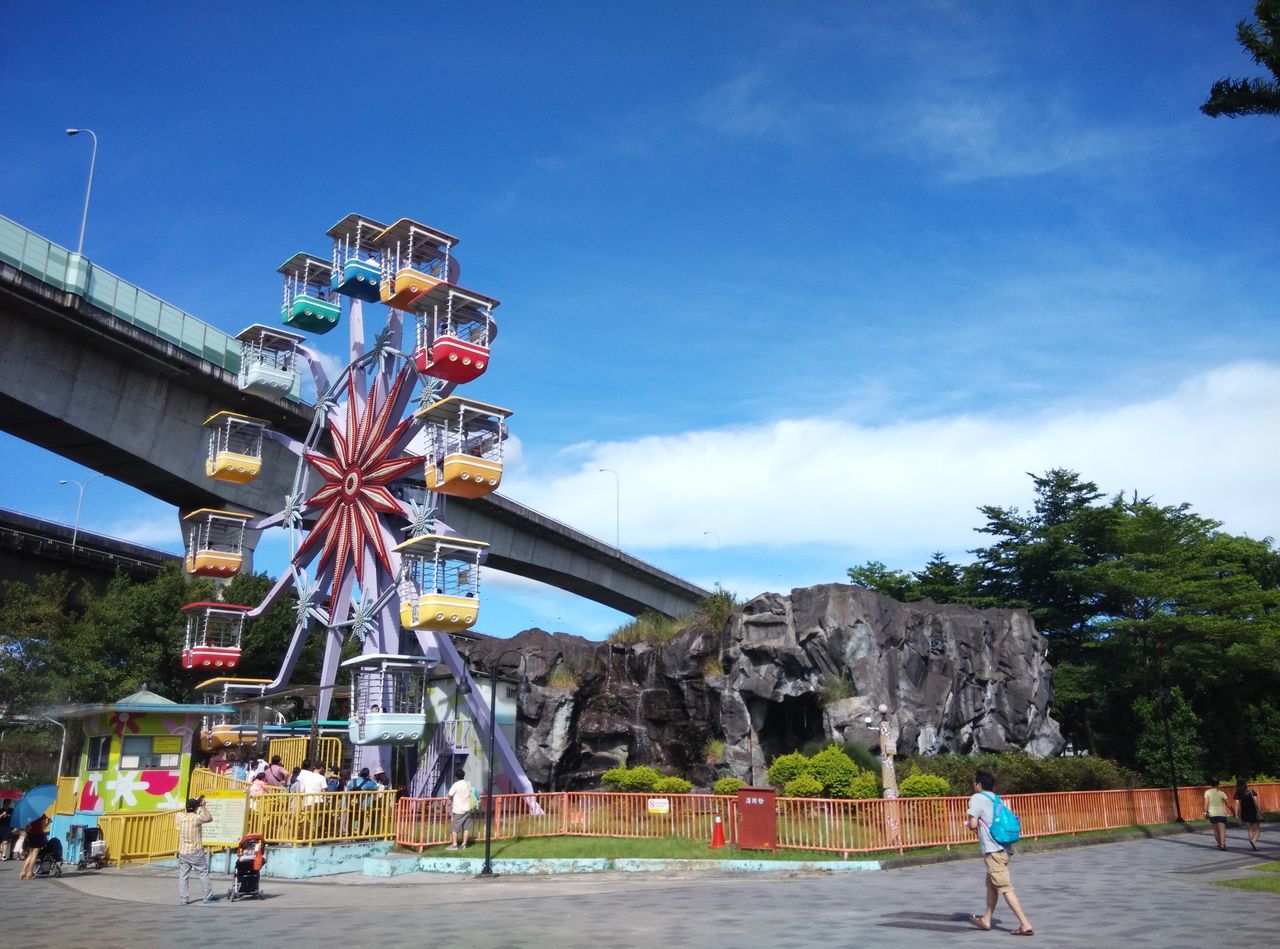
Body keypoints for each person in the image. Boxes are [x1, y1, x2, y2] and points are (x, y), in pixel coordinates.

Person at [966, 771, 1034, 936]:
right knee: (991, 886)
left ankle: (1025, 924)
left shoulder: (977, 798)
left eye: (975, 783)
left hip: (993, 850)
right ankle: (986, 919)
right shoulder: (996, 799)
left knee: (1005, 887)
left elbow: (973, 824)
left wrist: (968, 823)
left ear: (979, 785)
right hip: (1004, 848)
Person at [176, 797, 216, 904]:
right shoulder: (196, 818)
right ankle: (208, 897)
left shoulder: (179, 816)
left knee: (183, 876)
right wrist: (203, 806)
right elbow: (209, 818)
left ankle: (184, 900)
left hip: (183, 852)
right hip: (195, 851)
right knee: (203, 873)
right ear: (195, 807)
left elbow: (188, 812)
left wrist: (195, 805)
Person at [447, 767, 474, 851]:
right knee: (466, 828)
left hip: (459, 809)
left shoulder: (455, 785)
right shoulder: (468, 784)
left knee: (454, 828)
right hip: (468, 808)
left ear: (456, 777)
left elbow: (450, 794)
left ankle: (454, 845)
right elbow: (470, 793)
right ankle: (464, 844)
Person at [1205, 779, 1233, 850]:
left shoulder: (1207, 792)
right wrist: (1233, 810)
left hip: (1212, 814)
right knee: (1222, 830)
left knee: (1215, 830)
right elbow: (1228, 804)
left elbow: (1206, 803)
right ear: (1218, 784)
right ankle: (1222, 844)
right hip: (1221, 813)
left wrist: (1205, 812)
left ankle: (1219, 844)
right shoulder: (1222, 793)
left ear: (1211, 784)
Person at [19, 815, 49, 880]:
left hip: (31, 835)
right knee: (34, 855)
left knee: (30, 855)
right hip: (38, 835)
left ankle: (23, 872)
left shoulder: (30, 814)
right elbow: (43, 827)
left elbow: (27, 827)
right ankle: (30, 873)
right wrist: (48, 822)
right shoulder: (41, 815)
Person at [1235, 778, 1262, 851]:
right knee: (1257, 830)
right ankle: (1253, 841)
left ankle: (1252, 842)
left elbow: (1237, 804)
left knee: (1250, 829)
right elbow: (1256, 802)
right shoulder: (1251, 791)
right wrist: (1259, 810)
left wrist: (1236, 814)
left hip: (1244, 813)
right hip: (1252, 812)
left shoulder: (1238, 792)